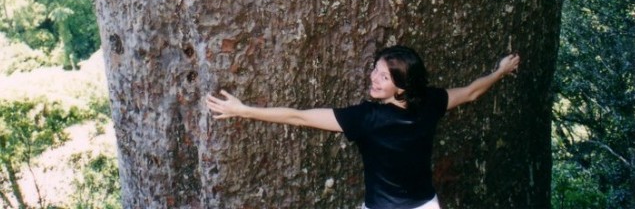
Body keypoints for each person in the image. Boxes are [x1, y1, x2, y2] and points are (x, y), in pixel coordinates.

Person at [207, 45, 520, 209]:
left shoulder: (366, 119)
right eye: (375, 69)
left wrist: (244, 110)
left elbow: (298, 117)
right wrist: (500, 72)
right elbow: (472, 91)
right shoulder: (430, 102)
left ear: (401, 86)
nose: (374, 77)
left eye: (384, 76)